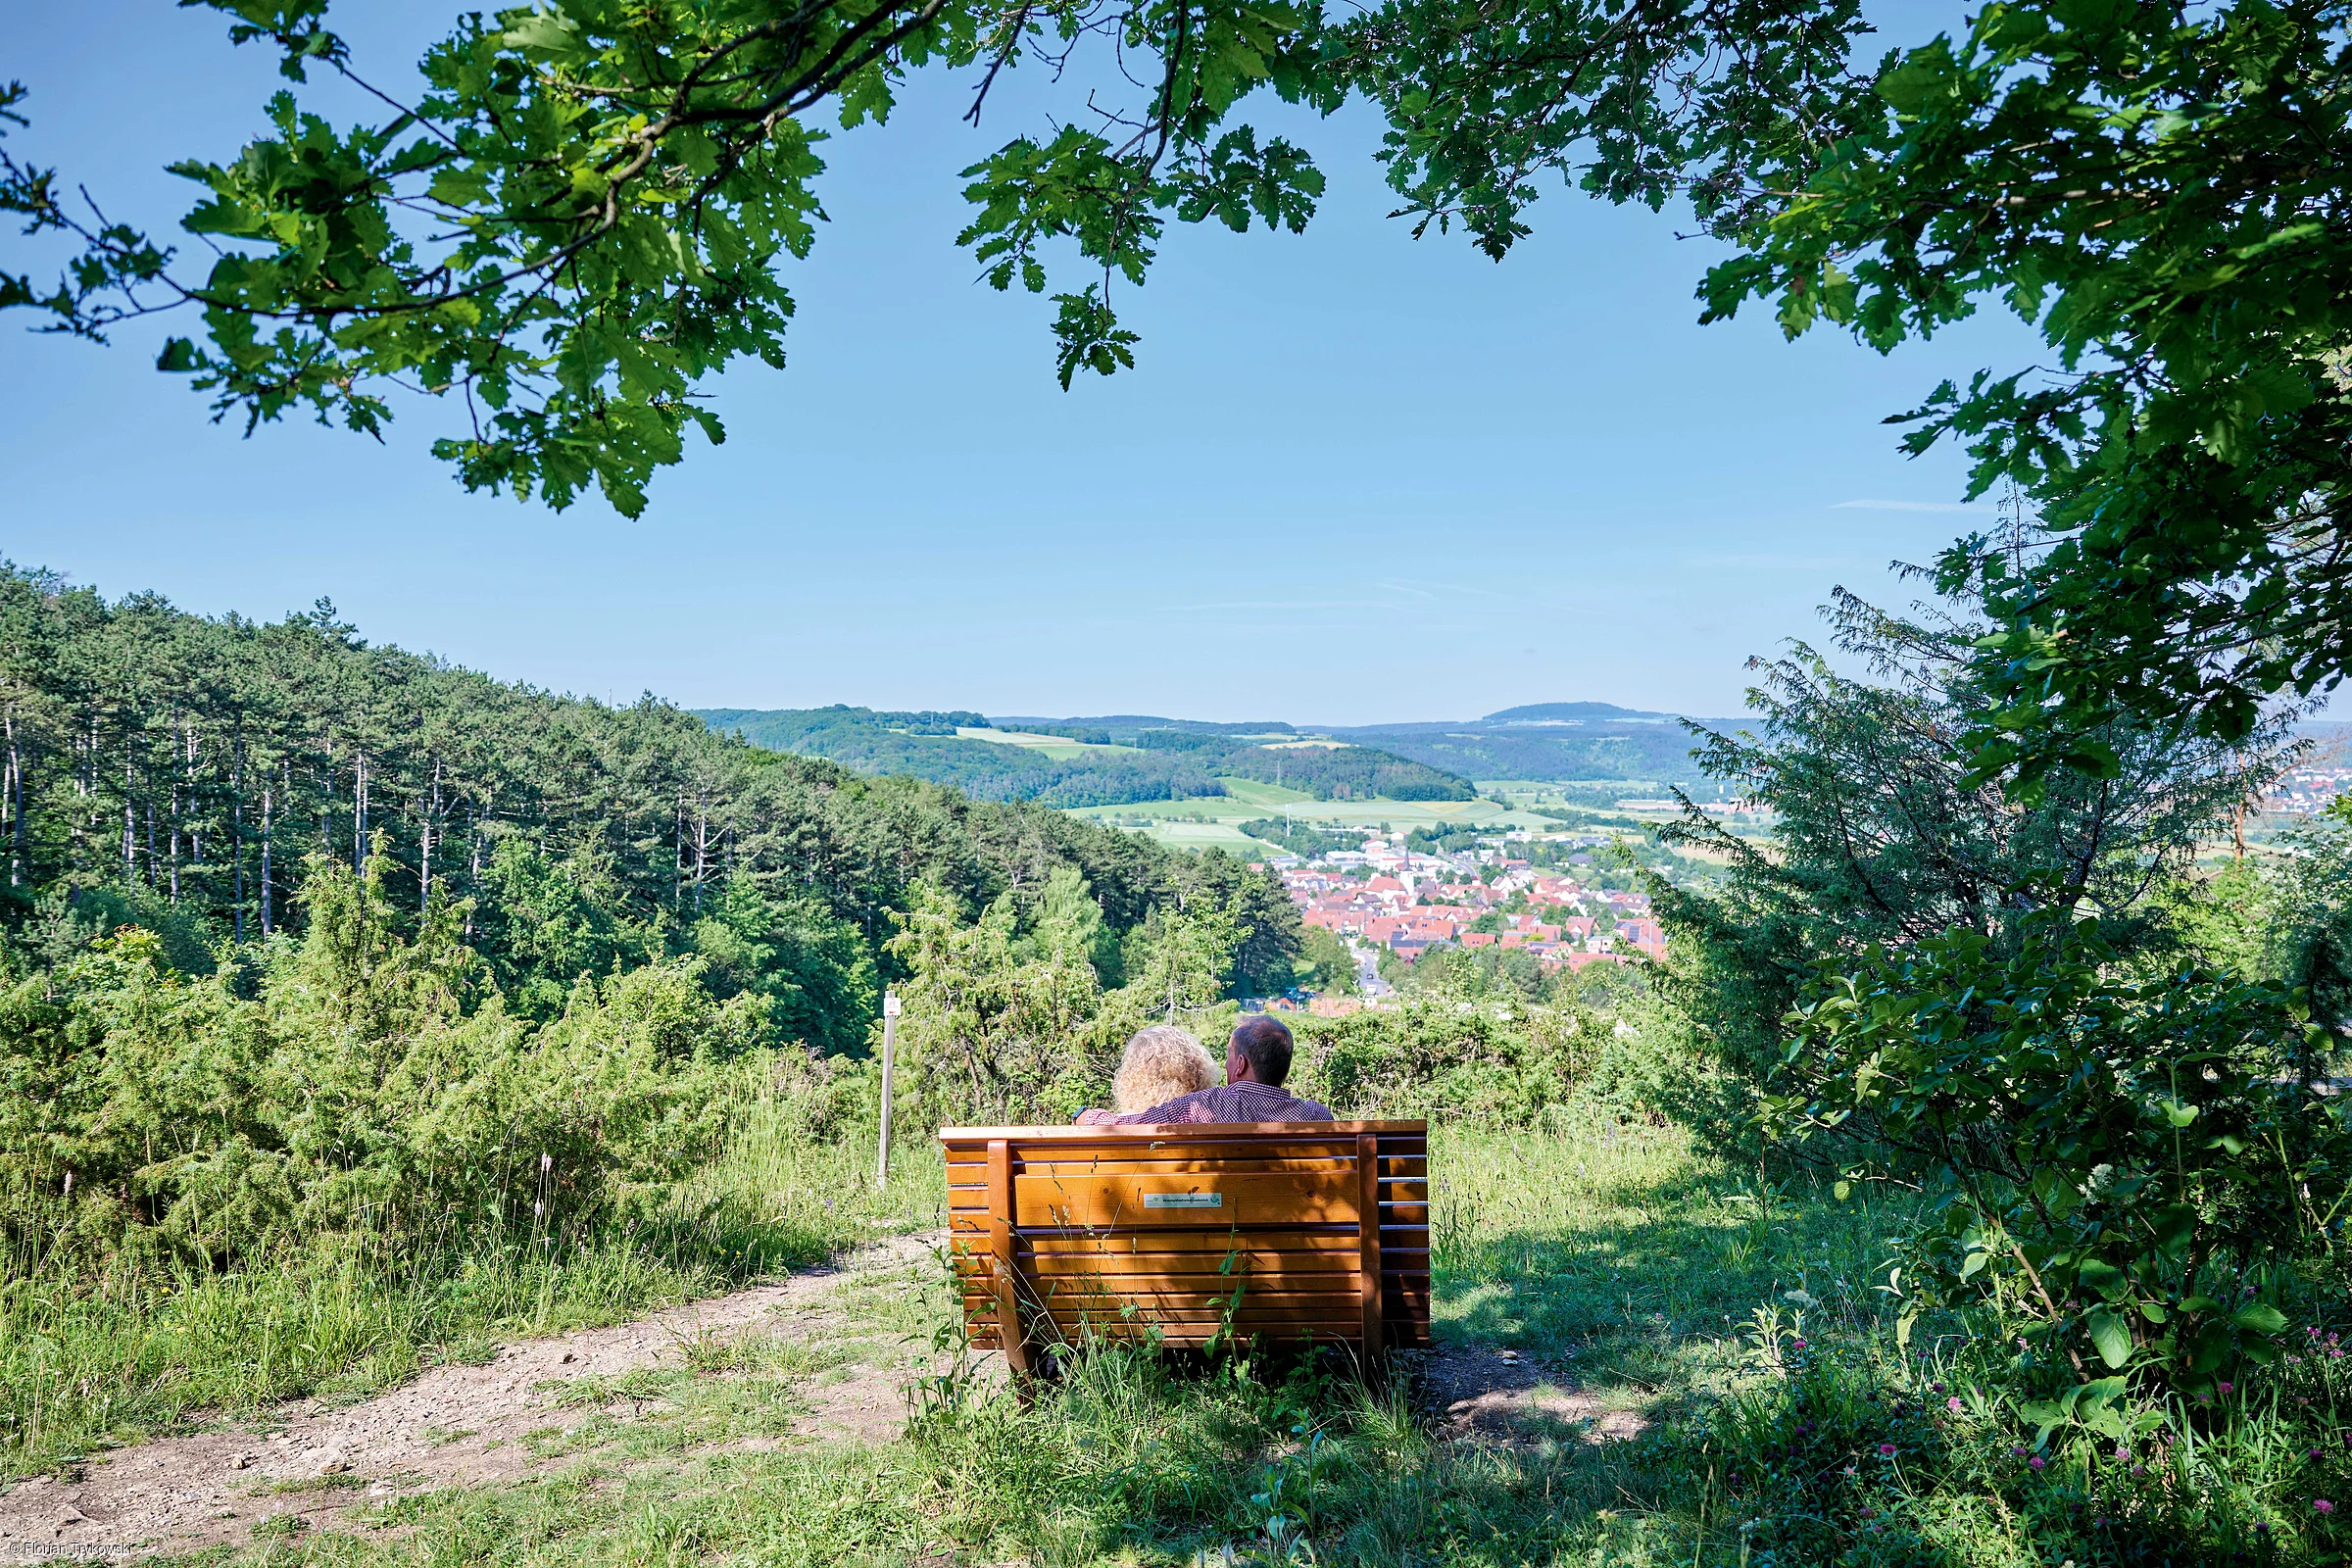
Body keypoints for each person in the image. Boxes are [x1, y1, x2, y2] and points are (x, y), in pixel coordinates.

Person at [1121, 1016, 1333, 1125]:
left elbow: (1131, 1125)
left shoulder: (1204, 1106)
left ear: (1241, 1064)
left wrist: (1088, 1114)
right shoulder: (1317, 1116)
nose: (1225, 1065)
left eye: (1229, 1055)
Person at [1074, 1024, 1216, 1124]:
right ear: (1196, 1073)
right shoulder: (1206, 1118)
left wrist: (1081, 1115)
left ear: (1131, 1074)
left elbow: (1113, 1123)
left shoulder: (1111, 1126)